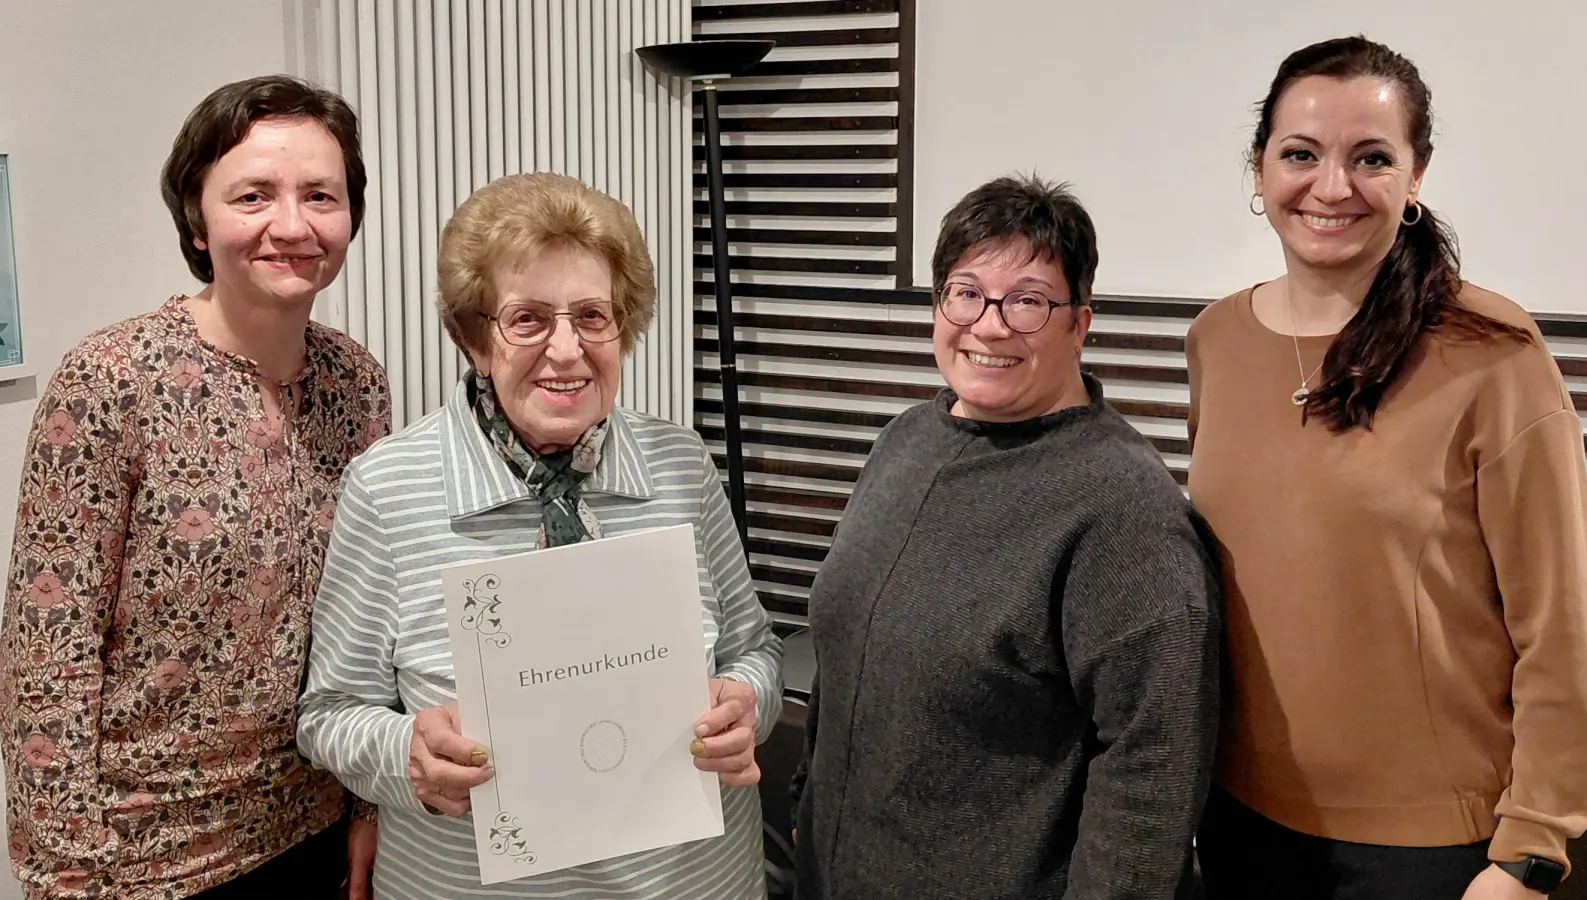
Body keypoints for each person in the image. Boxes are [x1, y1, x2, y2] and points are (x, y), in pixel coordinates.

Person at [1186, 36, 1587, 900]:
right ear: (1258, 170)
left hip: (1431, 853)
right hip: (1238, 819)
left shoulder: (1493, 353)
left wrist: (1531, 849)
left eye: (1371, 157)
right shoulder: (1217, 340)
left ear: (1415, 178)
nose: (1331, 187)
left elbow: (1560, 625)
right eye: (1300, 154)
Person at [296, 171, 783, 899]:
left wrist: (747, 703)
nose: (566, 351)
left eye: (593, 316)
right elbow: (329, 714)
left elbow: (755, 652)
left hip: (693, 882)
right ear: (473, 336)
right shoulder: (389, 487)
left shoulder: (681, 464)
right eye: (527, 319)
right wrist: (409, 755)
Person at [1, 76, 390, 898]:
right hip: (143, 859)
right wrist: (67, 869)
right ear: (195, 217)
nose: (291, 225)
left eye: (321, 195)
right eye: (253, 195)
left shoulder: (357, 382)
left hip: (311, 823)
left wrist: (366, 803)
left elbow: (368, 615)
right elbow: (47, 653)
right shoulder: (111, 382)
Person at [788, 174, 1222, 900]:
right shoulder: (905, 441)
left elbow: (1154, 763)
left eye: (1027, 301)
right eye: (966, 293)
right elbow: (845, 649)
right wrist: (806, 796)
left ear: (1078, 324)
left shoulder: (1122, 509)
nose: (989, 326)